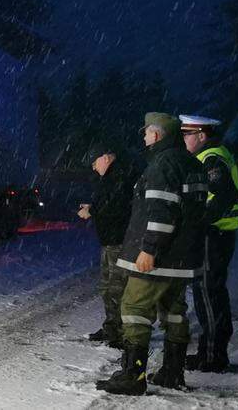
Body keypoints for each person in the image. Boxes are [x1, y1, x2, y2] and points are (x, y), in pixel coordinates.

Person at [96, 112, 206, 396]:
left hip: (161, 258)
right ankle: (172, 372)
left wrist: (149, 249)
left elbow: (161, 211)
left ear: (157, 135)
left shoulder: (163, 164)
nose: (144, 137)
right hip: (182, 258)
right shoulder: (191, 163)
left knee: (133, 309)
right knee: (174, 312)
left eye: (146, 133)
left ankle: (133, 376)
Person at [180, 114, 238, 373]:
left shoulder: (211, 158)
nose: (183, 139)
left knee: (208, 293)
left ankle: (214, 356)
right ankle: (209, 351)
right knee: (210, 292)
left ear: (201, 136)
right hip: (217, 234)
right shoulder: (213, 155)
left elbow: (226, 193)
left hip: (213, 235)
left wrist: (201, 220)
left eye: (187, 134)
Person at [78, 141, 140, 348]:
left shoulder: (120, 176)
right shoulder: (112, 177)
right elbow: (109, 202)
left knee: (117, 289)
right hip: (110, 242)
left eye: (95, 163)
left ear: (105, 158)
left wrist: (92, 211)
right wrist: (93, 207)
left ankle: (121, 333)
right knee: (107, 288)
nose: (94, 168)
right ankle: (112, 328)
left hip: (119, 242)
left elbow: (116, 206)